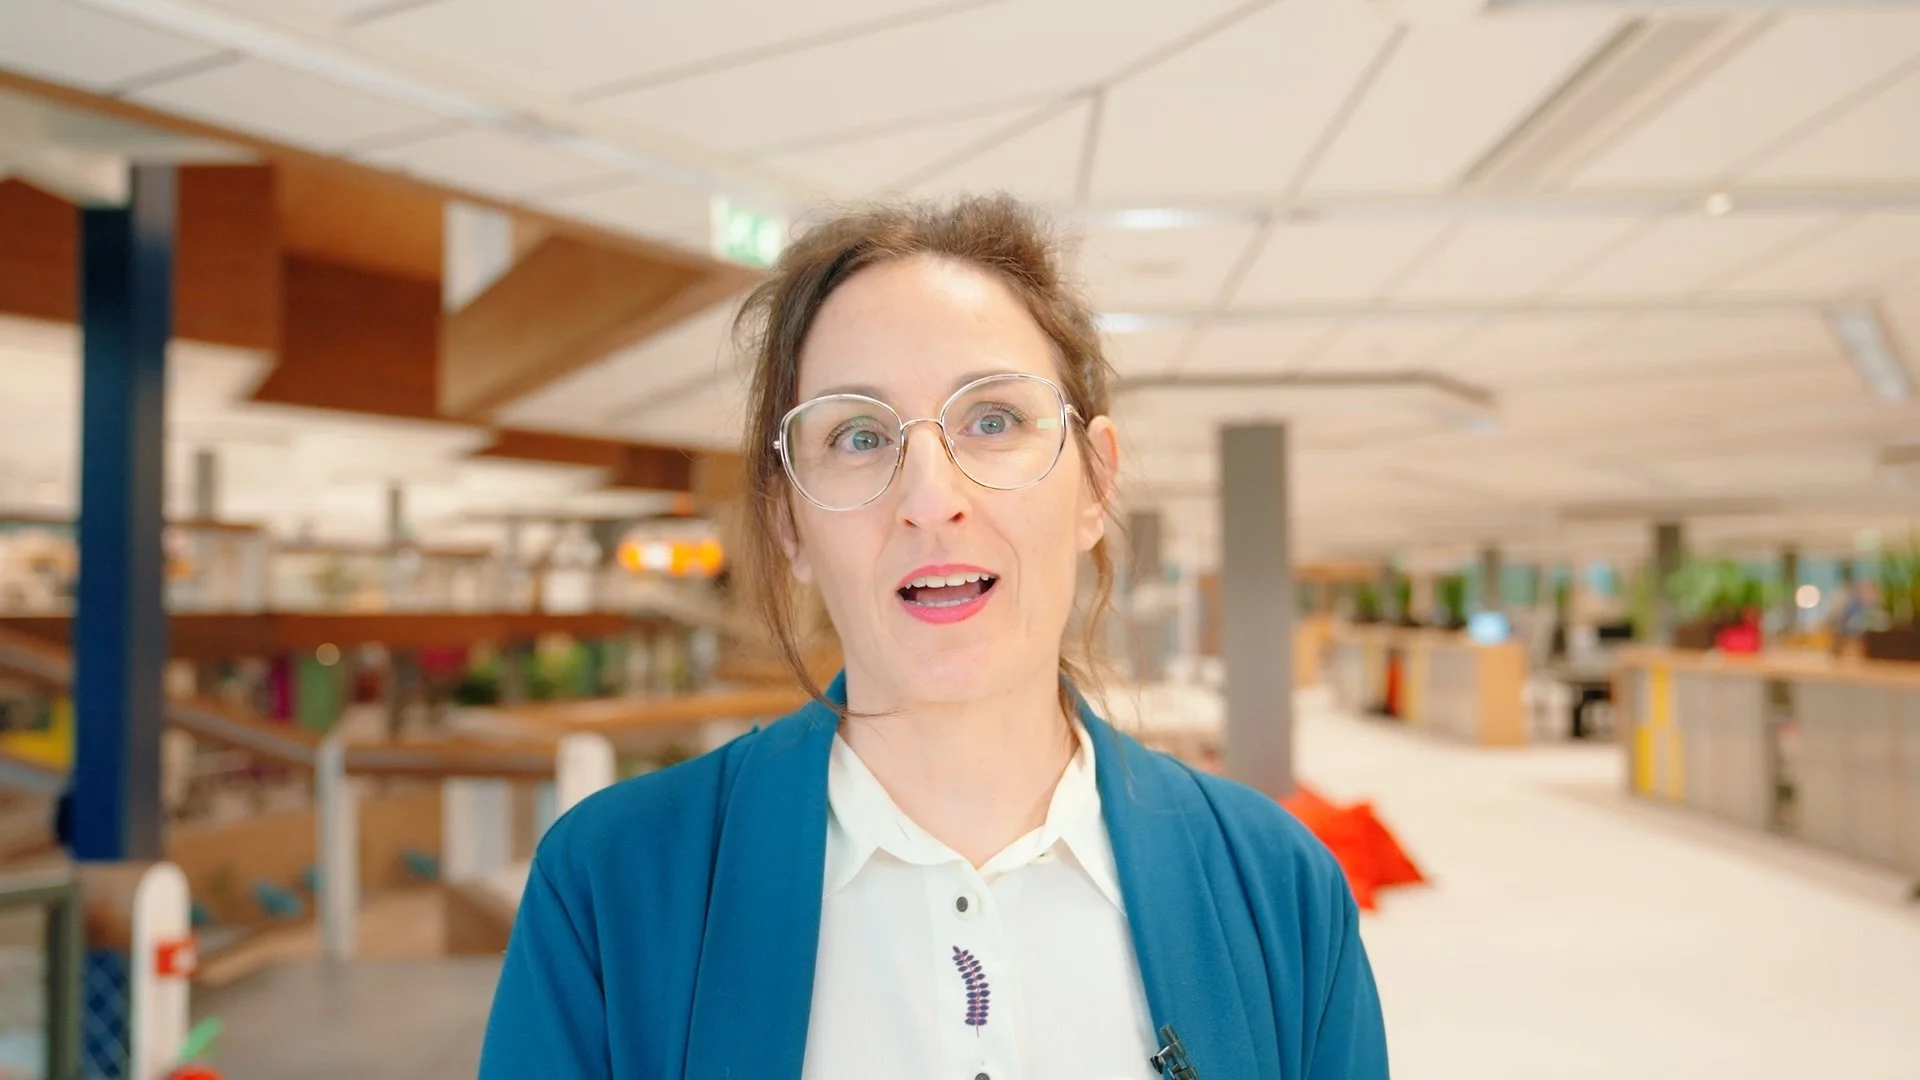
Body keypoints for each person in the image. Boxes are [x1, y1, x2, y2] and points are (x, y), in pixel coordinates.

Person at [478, 196, 1388, 1080]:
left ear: (1096, 483)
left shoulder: (1279, 888)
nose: (928, 499)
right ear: (790, 524)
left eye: (992, 420)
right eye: (859, 435)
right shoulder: (613, 886)